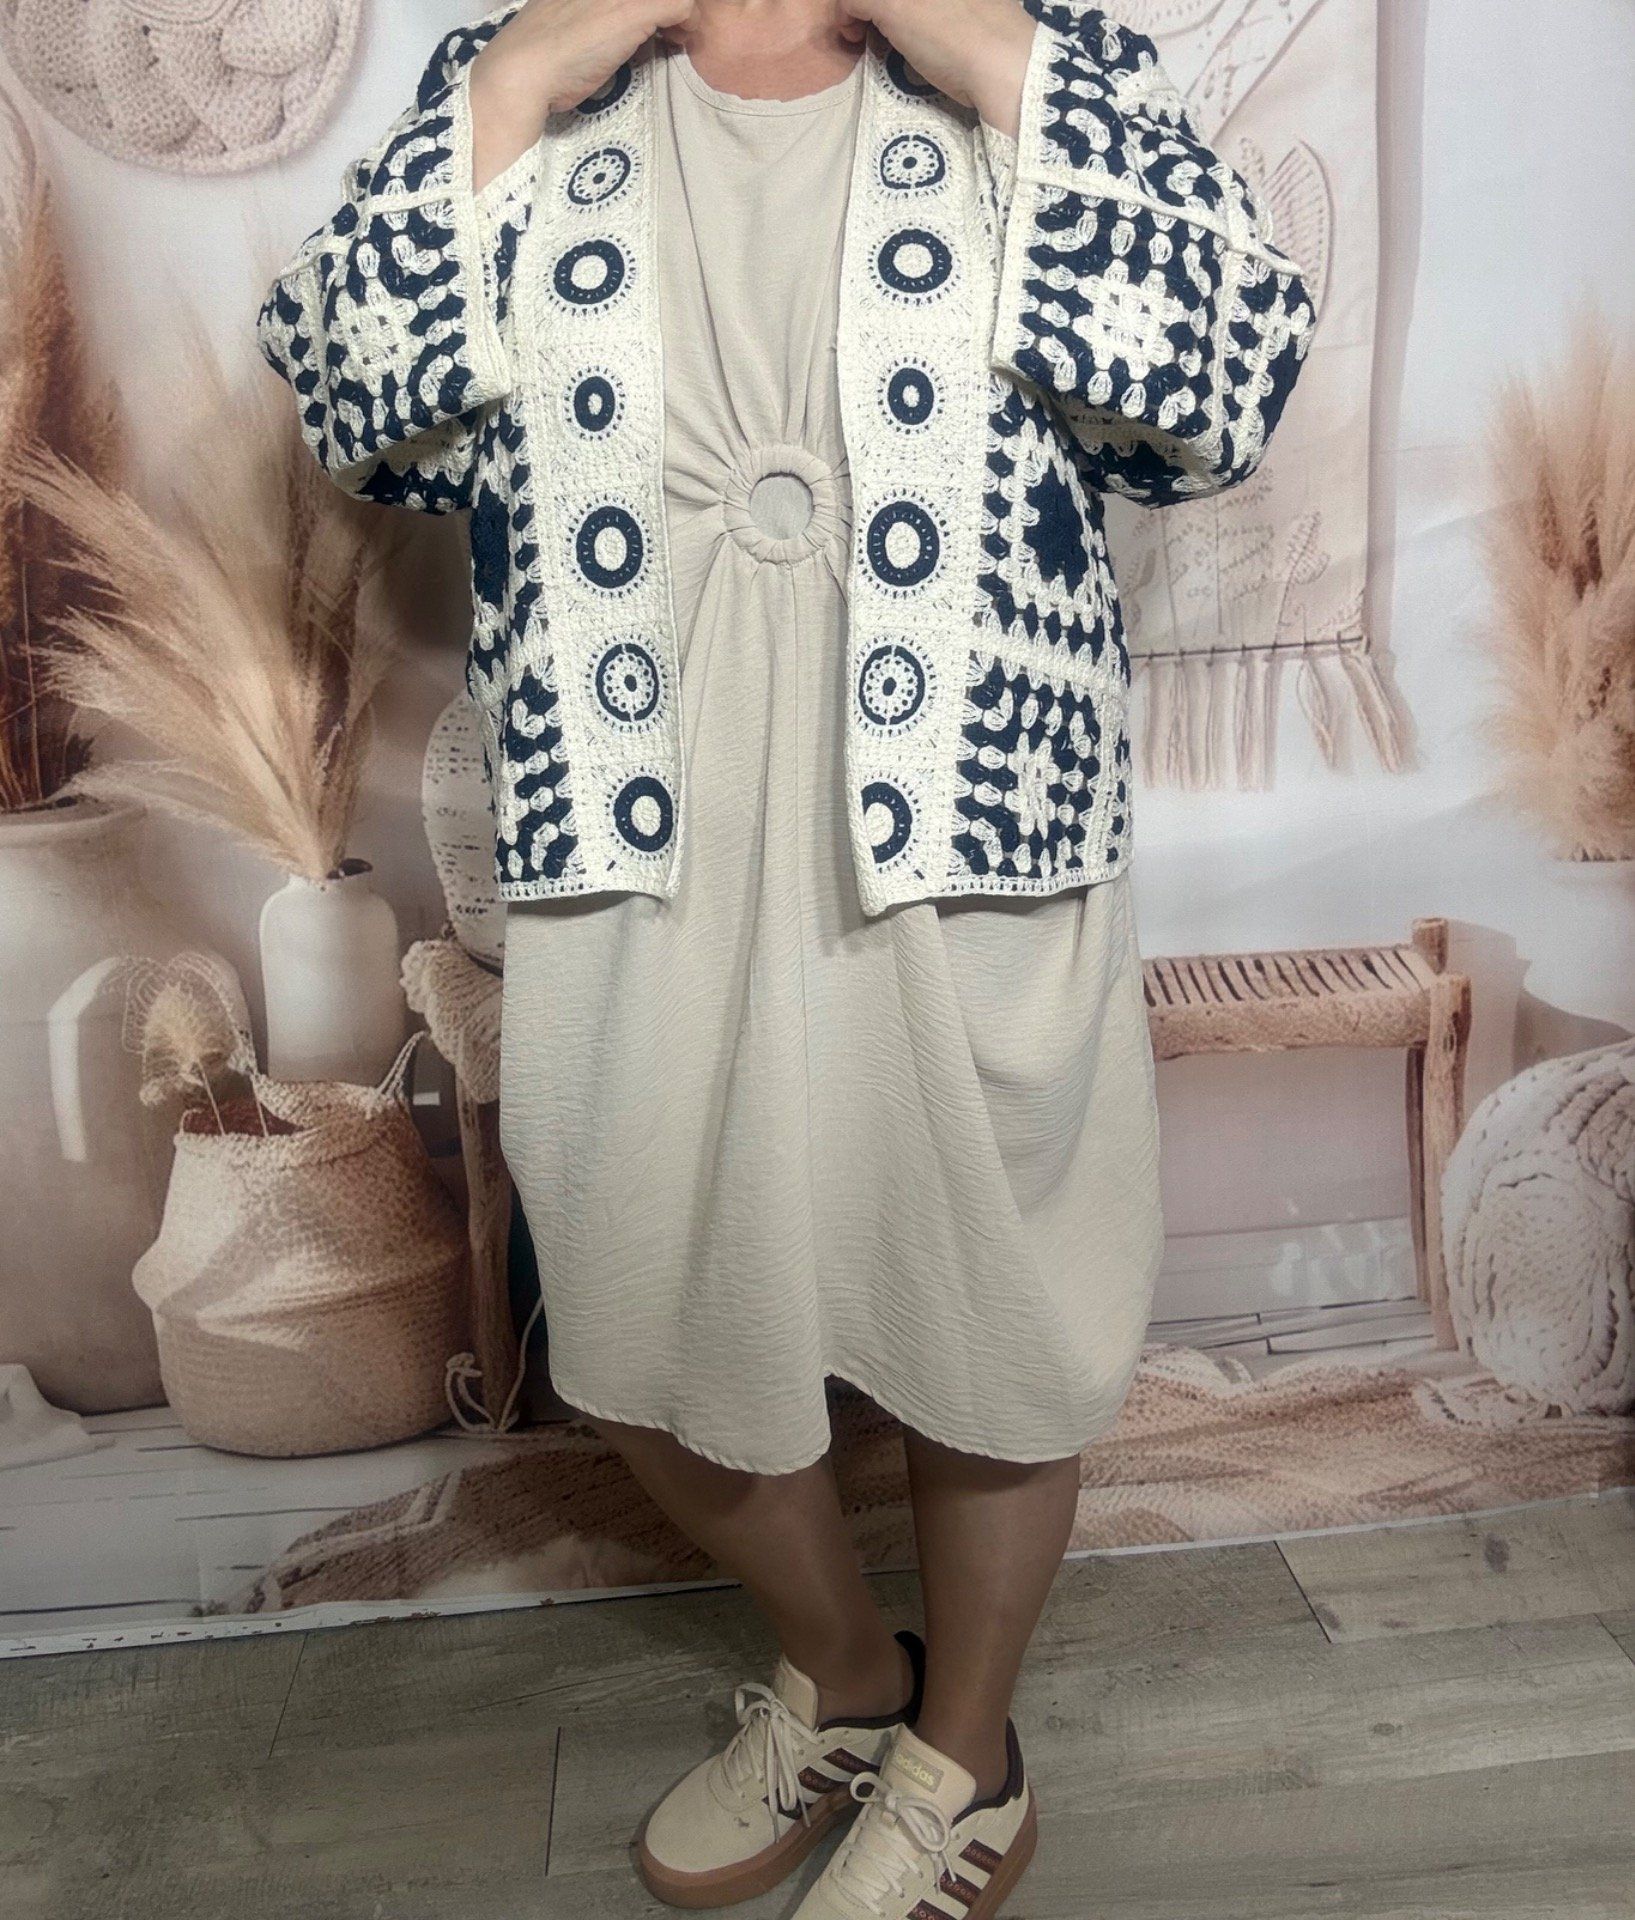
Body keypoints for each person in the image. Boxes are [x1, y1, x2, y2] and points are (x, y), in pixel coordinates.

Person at [259, 1, 1312, 1911]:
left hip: (963, 811)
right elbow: (357, 404)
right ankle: (848, 1672)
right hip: (631, 820)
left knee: (994, 1313)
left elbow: (1222, 386)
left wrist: (980, 50)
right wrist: (520, 85)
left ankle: (966, 1757)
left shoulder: (1047, 58)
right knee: (635, 1303)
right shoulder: (523, 71)